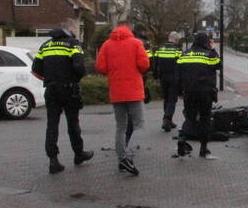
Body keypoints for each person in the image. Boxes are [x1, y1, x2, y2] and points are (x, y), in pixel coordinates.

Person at [31, 28, 93, 174]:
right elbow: (79, 67)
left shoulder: (45, 46)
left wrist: (49, 80)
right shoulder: (73, 44)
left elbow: (35, 70)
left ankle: (53, 160)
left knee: (52, 125)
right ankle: (79, 154)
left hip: (51, 90)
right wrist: (75, 80)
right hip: (69, 89)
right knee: (73, 123)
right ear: (68, 35)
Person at [95, 21, 150, 175]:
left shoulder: (106, 45)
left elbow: (100, 67)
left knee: (121, 127)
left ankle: (121, 159)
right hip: (134, 91)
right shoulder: (136, 43)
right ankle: (128, 156)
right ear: (129, 29)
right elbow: (144, 64)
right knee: (139, 125)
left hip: (116, 91)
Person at [176, 31, 222, 159]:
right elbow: (219, 65)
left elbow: (178, 75)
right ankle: (203, 149)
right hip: (205, 93)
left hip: (189, 92)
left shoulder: (184, 54)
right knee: (205, 119)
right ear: (206, 42)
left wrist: (180, 92)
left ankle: (182, 137)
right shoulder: (209, 54)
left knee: (190, 117)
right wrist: (213, 49)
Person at [151, 31, 183, 131]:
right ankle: (167, 118)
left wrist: (156, 77)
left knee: (166, 99)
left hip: (163, 77)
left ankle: (169, 121)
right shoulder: (178, 50)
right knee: (172, 100)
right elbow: (181, 65)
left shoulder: (160, 49)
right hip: (174, 77)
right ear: (176, 40)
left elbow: (155, 65)